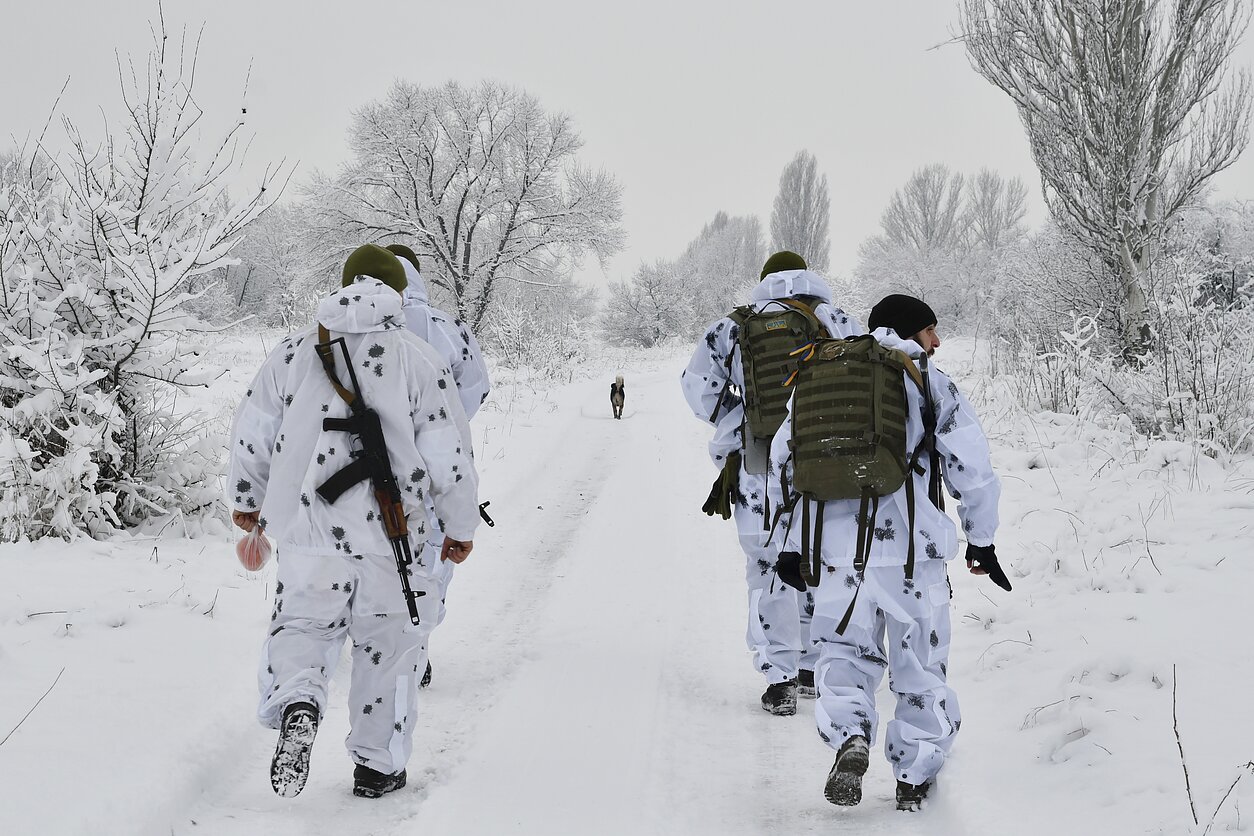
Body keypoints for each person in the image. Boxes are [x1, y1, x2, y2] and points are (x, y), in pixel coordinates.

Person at [229, 243, 480, 799]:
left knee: (301, 627)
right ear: (399, 294)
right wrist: (460, 527)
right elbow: (450, 456)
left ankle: (299, 701)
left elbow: (254, 429)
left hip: (307, 531)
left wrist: (248, 498)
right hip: (392, 536)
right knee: (387, 648)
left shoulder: (292, 352)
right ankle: (376, 764)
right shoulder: (418, 358)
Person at [767, 292, 1007, 812]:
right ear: (906, 330)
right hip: (911, 555)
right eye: (929, 329)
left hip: (836, 555)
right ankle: (914, 774)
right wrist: (981, 539)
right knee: (919, 662)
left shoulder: (819, 373)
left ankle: (850, 735)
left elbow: (785, 464)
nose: (936, 340)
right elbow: (971, 466)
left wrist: (789, 544)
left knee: (843, 652)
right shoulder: (925, 379)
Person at [680, 251, 861, 715]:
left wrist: (736, 419)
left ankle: (779, 679)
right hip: (825, 460)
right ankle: (814, 668)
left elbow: (697, 386)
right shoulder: (834, 319)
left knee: (766, 565)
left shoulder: (735, 326)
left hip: (759, 462)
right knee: (819, 557)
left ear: (764, 280)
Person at [385, 243, 491, 688]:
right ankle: (416, 647)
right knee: (429, 555)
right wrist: (443, 424)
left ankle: (378, 640)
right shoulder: (447, 328)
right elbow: (477, 385)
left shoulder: (349, 326)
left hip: (364, 469)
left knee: (373, 553)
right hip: (433, 469)